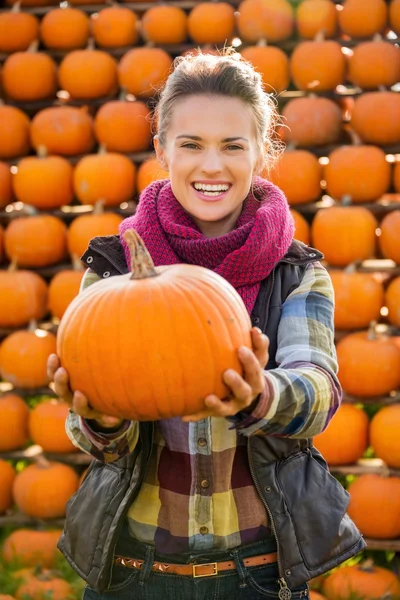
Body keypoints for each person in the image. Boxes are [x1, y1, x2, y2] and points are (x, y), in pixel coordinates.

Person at [47, 50, 365, 600]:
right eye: (191, 144)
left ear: (262, 153)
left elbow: (317, 393)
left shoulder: (295, 271)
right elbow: (94, 439)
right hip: (134, 569)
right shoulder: (116, 267)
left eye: (233, 146)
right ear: (161, 150)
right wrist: (97, 415)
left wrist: (260, 395)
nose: (211, 166)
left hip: (260, 572)